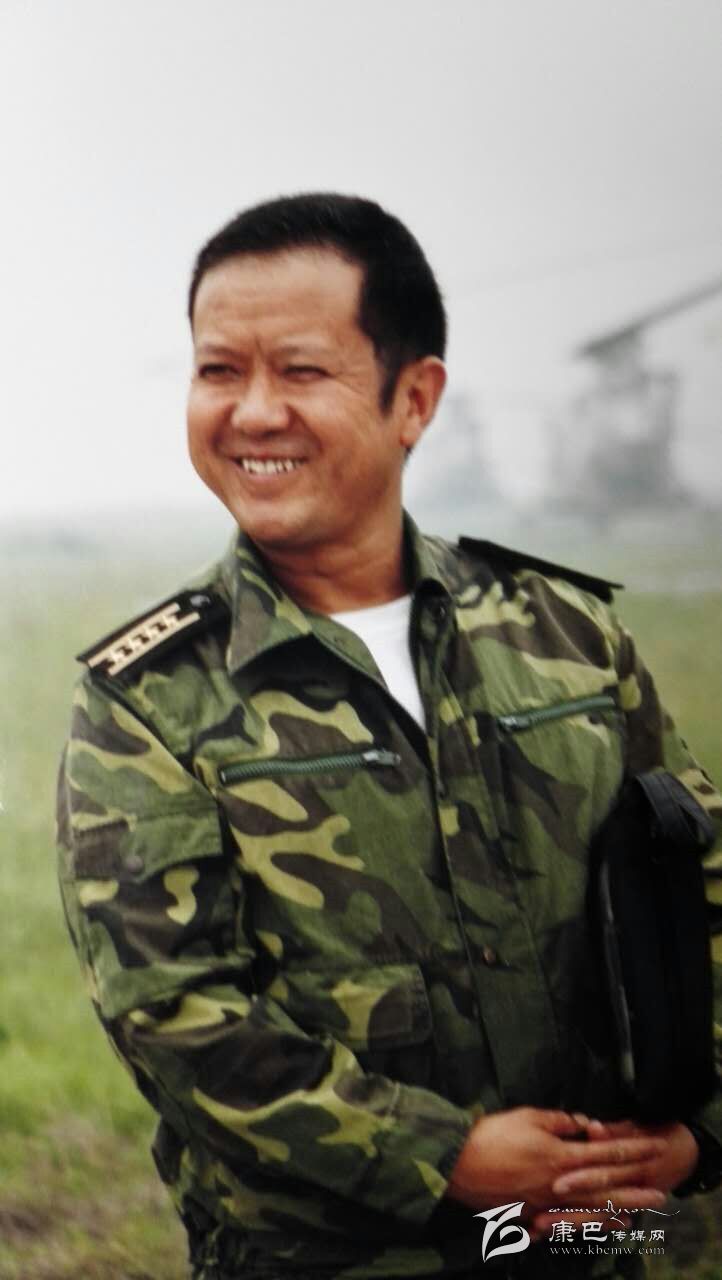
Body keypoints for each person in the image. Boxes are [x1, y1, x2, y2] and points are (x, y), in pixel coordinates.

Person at [57, 193, 722, 1280]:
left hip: (596, 1235)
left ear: (414, 398)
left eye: (300, 371)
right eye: (219, 370)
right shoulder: (150, 696)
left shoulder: (567, 635)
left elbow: (701, 881)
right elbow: (173, 1013)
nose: (252, 412)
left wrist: (698, 1132)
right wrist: (444, 1156)